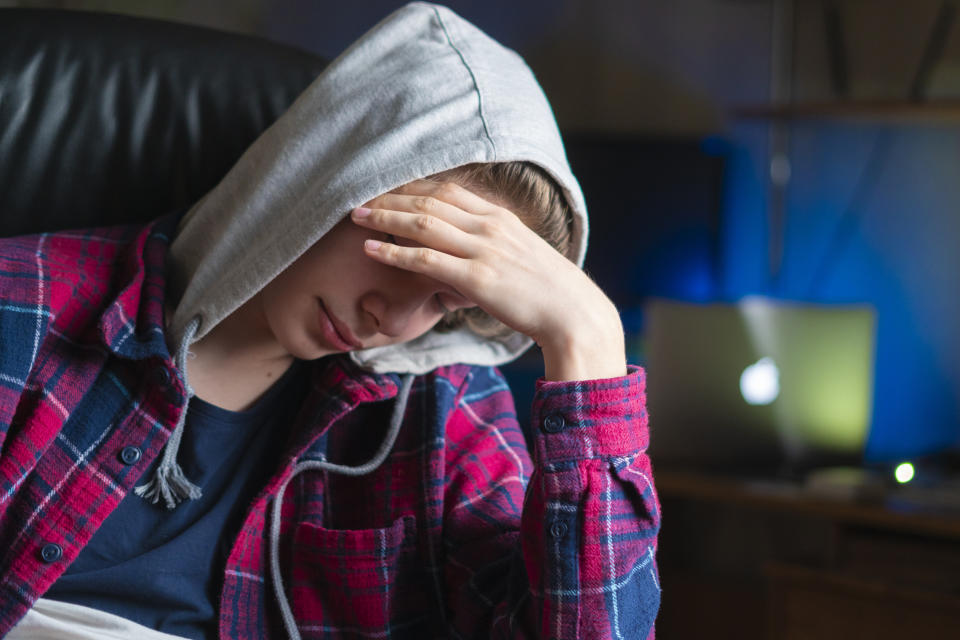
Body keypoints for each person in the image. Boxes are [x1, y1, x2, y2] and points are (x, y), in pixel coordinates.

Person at [0, 3, 660, 639]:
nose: (394, 318)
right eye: (403, 256)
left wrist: (589, 343)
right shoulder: (23, 302)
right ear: (326, 174)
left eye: (444, 302)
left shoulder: (438, 406)